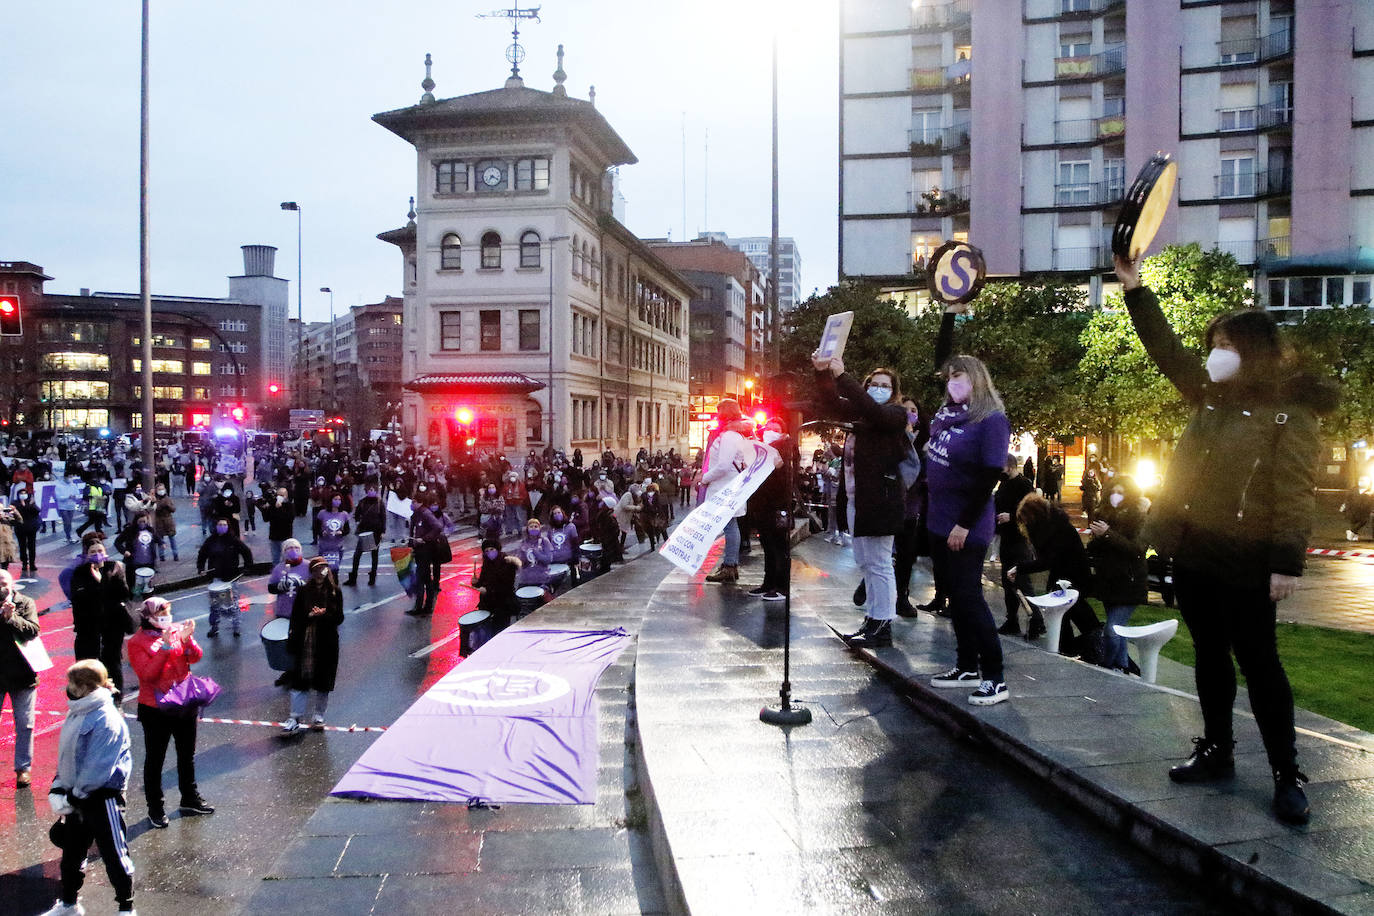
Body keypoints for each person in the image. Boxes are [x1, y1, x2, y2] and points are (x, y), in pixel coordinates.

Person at [1117, 253, 1336, 826]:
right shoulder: (1211, 397)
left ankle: (1287, 774)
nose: (1215, 354)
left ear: (1255, 353)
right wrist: (1136, 290)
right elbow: (1166, 352)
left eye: (1227, 346)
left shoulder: (1289, 414)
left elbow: (1294, 493)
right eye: (1214, 343)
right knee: (1210, 657)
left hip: (1247, 558)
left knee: (1261, 663)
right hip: (1195, 550)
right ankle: (1216, 750)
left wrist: (1287, 562)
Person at [924, 349, 1013, 706]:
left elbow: (990, 475)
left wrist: (963, 524)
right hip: (938, 520)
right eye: (949, 377)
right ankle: (965, 665)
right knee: (955, 598)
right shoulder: (946, 416)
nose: (952, 382)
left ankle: (995, 675)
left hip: (966, 524)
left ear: (976, 378)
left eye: (959, 376)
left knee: (969, 598)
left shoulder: (990, 420)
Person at [811, 352, 909, 649]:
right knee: (866, 562)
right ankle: (873, 617)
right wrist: (823, 373)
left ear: (894, 392)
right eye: (874, 384)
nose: (878, 389)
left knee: (880, 563)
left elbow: (874, 412)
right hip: (857, 499)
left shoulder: (895, 415)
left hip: (881, 501)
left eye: (885, 385)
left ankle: (884, 623)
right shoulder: (861, 412)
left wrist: (842, 376)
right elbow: (829, 403)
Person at [42, 659, 135, 916]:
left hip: (103, 797)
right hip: (78, 797)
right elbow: (67, 755)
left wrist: (72, 795)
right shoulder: (78, 712)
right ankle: (69, 904)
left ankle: (126, 908)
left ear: (84, 687)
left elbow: (99, 767)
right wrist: (58, 786)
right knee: (72, 855)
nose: (68, 687)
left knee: (114, 853)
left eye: (72, 683)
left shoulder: (107, 719)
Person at [125, 597, 213, 828]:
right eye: (161, 614)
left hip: (183, 701)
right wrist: (165, 648)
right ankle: (155, 807)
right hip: (155, 708)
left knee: (187, 754)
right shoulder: (137, 642)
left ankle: (189, 797)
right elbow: (148, 675)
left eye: (168, 613)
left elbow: (195, 656)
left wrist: (187, 640)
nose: (167, 618)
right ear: (149, 617)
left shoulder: (174, 631)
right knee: (156, 759)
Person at [1010, 493, 1105, 661]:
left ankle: (1088, 648)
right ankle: (1074, 647)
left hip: (1072, 579)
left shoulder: (1055, 530)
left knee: (1076, 616)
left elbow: (1048, 560)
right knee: (1070, 616)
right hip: (1067, 577)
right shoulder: (1054, 526)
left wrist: (1021, 568)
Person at [1086, 476, 1149, 674]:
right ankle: (1123, 668)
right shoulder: (1103, 515)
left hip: (1130, 583)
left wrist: (1108, 534)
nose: (1116, 497)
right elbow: (1095, 550)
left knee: (1112, 630)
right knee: (1119, 630)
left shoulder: (1137, 518)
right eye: (1113, 492)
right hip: (1109, 582)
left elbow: (1137, 549)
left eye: (1121, 493)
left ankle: (1106, 667)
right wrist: (1097, 537)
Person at [282, 557, 344, 733]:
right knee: (300, 679)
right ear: (312, 572)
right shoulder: (303, 591)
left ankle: (319, 716)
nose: (320, 573)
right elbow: (295, 617)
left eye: (323, 569)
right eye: (316, 569)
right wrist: (308, 616)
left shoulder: (334, 592)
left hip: (327, 641)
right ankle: (294, 717)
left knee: (323, 680)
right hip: (306, 639)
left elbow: (339, 618)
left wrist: (324, 614)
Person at [69, 534, 134, 694]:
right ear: (87, 555)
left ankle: (116, 698)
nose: (97, 554)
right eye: (93, 552)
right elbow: (79, 598)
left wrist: (102, 582)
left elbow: (124, 593)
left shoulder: (115, 567)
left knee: (112, 663)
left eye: (99, 550)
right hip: (88, 627)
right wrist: (95, 584)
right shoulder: (80, 573)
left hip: (112, 625)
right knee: (87, 665)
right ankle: (89, 696)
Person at [700, 399, 754, 584]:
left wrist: (704, 478)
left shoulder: (730, 436)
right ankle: (730, 564)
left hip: (726, 487)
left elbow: (723, 465)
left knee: (730, 526)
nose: (716, 413)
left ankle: (730, 565)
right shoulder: (734, 435)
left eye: (719, 410)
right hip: (729, 486)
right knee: (731, 526)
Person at [0, 568, 40, 788]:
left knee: (25, 724)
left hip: (22, 673)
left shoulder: (25, 602)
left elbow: (33, 630)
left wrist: (11, 618)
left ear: (12, 584)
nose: (2, 587)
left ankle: (23, 768)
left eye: (4, 582)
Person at [744, 419, 792, 602]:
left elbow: (787, 474)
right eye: (769, 427)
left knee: (779, 547)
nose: (771, 430)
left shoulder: (786, 448)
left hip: (778, 505)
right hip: (763, 505)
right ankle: (768, 582)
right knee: (768, 546)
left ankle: (781, 586)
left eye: (776, 428)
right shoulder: (762, 449)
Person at [994, 455, 1038, 637]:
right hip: (1006, 538)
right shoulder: (1003, 485)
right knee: (1007, 583)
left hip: (1020, 540)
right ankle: (1012, 619)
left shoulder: (1025, 485)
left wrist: (1011, 517)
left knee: (1022, 582)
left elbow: (1033, 511)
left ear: (1010, 467)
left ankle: (1036, 621)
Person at [196, 518, 254, 638]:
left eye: (224, 524)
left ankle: (236, 627)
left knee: (233, 604)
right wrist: (200, 568)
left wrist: (247, 567)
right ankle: (214, 627)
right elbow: (202, 554)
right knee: (214, 605)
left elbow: (246, 552)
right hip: (216, 578)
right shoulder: (211, 540)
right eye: (219, 524)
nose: (222, 526)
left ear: (228, 526)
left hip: (231, 578)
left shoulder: (233, 540)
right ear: (216, 526)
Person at [407, 494, 445, 616]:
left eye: (413, 502)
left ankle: (420, 607)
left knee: (421, 578)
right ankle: (426, 606)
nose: (411, 504)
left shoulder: (425, 513)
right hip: (419, 550)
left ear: (419, 502)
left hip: (425, 550)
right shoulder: (416, 515)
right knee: (426, 579)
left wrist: (424, 538)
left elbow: (438, 527)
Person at [472, 537, 520, 629]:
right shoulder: (487, 563)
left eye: (491, 549)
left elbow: (506, 586)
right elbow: (483, 582)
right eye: (486, 551)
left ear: (497, 549)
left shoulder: (507, 563)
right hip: (487, 604)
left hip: (503, 605)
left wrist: (488, 590)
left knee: (500, 629)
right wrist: (476, 583)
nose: (489, 552)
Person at [345, 484, 386, 587]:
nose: (371, 491)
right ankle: (353, 577)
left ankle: (372, 577)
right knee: (357, 555)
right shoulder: (362, 502)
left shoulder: (379, 503)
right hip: (364, 531)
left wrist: (383, 531)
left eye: (373, 489)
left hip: (376, 532)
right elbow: (357, 514)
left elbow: (383, 517)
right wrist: (358, 522)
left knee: (374, 555)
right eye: (369, 489)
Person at [113, 513, 158, 595]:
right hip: (134, 563)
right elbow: (117, 542)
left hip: (148, 562)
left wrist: (162, 543)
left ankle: (146, 598)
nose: (142, 523)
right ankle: (135, 598)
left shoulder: (150, 530)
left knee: (147, 584)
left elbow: (156, 538)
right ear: (136, 521)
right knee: (134, 584)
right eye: (140, 521)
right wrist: (124, 551)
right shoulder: (129, 530)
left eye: (144, 521)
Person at [315, 494, 351, 574]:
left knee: (335, 570)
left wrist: (342, 532)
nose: (337, 501)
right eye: (335, 499)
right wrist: (321, 533)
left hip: (338, 546)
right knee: (324, 570)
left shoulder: (344, 514)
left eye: (339, 499)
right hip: (324, 546)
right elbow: (316, 528)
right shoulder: (322, 513)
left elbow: (347, 530)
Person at [261, 486, 295, 566]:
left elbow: (289, 519)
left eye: (282, 495)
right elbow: (266, 519)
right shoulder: (272, 504)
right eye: (278, 495)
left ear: (286, 496)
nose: (280, 497)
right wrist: (265, 509)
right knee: (275, 559)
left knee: (286, 559)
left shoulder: (289, 506)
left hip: (285, 537)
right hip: (274, 536)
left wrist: (280, 508)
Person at [13, 488, 40, 577]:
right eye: (21, 493)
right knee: (22, 546)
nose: (23, 495)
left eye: (25, 493)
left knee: (31, 546)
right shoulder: (15, 503)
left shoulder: (31, 502)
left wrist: (30, 505)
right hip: (20, 528)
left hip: (31, 528)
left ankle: (32, 563)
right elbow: (14, 514)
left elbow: (37, 511)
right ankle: (24, 563)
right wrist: (22, 505)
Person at [152, 483, 179, 562]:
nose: (161, 491)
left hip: (168, 521)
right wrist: (161, 504)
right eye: (159, 489)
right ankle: (161, 555)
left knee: (172, 538)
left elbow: (173, 509)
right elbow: (155, 508)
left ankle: (175, 554)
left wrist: (168, 506)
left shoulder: (168, 498)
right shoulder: (155, 499)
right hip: (159, 521)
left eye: (162, 489)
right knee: (160, 539)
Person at [1340, 477, 1373, 541]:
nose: (1361, 482)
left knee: (1363, 521)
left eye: (1363, 481)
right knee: (1353, 521)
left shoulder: (1370, 491)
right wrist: (1345, 506)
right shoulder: (1353, 490)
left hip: (1363, 510)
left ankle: (1352, 531)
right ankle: (1354, 533)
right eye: (1360, 480)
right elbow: (1348, 499)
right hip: (1352, 509)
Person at [56, 472, 84, 545]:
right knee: (67, 521)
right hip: (63, 506)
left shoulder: (73, 485)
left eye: (71, 477)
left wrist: (75, 496)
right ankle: (68, 536)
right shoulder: (59, 486)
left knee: (69, 522)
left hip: (71, 506)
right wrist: (67, 497)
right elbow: (58, 497)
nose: (70, 479)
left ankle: (68, 535)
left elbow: (77, 493)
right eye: (69, 477)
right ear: (65, 477)